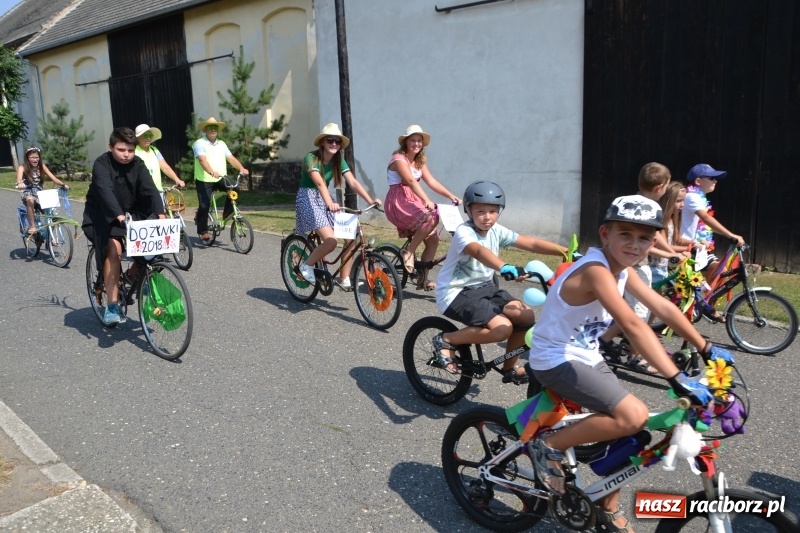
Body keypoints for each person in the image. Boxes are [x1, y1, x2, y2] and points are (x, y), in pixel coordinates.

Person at [525, 194, 718, 533]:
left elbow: (664, 308)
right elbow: (632, 324)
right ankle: (549, 445)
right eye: (625, 234)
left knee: (635, 432)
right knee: (633, 414)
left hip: (584, 356)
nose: (635, 244)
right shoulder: (596, 270)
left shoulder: (623, 271)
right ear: (605, 234)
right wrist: (675, 378)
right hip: (554, 359)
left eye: (644, 237)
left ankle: (606, 504)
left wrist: (708, 348)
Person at [432, 181, 568, 378]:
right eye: (480, 211)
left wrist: (564, 251)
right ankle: (446, 339)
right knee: (502, 329)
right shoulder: (464, 232)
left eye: (493, 211)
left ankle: (508, 368)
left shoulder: (496, 230)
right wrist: (504, 267)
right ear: (469, 211)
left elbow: (530, 242)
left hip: (486, 288)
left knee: (526, 316)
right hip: (455, 293)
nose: (487, 217)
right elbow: (478, 251)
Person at [599, 162, 681, 373]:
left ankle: (605, 341)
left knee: (630, 309)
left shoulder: (640, 204)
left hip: (634, 266)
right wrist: (670, 254)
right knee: (640, 311)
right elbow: (644, 245)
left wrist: (671, 251)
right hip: (635, 266)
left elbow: (655, 238)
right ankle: (635, 356)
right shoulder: (644, 209)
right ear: (661, 186)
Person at [82, 127, 165, 325]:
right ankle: (111, 305)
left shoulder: (138, 163)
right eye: (121, 150)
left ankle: (131, 276)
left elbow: (150, 189)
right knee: (114, 248)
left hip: (132, 211)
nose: (127, 155)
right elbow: (105, 192)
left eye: (130, 150)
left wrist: (161, 215)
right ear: (110, 147)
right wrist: (119, 217)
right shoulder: (102, 163)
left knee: (152, 246)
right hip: (103, 214)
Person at [295, 123, 381, 291]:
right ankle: (306, 266)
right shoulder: (310, 158)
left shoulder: (338, 161)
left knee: (350, 237)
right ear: (322, 142)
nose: (334, 144)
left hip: (326, 199)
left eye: (337, 141)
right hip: (308, 198)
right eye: (330, 140)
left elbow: (353, 182)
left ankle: (344, 278)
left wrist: (371, 200)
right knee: (331, 241)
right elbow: (319, 183)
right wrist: (329, 204)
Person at [384, 125, 460, 290]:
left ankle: (422, 280)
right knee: (431, 216)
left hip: (414, 201)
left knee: (433, 240)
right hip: (398, 203)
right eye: (413, 140)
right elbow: (410, 181)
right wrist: (426, 200)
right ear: (406, 142)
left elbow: (431, 182)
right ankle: (409, 252)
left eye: (419, 141)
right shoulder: (398, 159)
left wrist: (450, 196)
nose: (417, 144)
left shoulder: (419, 161)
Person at [680, 163, 744, 320]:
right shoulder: (692, 196)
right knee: (718, 271)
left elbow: (705, 222)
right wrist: (731, 235)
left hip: (698, 247)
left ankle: (704, 304)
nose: (715, 181)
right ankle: (704, 306)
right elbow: (706, 218)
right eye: (711, 178)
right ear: (698, 181)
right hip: (687, 246)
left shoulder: (698, 197)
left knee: (719, 271)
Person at [192, 117, 249, 242]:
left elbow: (231, 158)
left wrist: (241, 168)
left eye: (215, 128)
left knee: (235, 187)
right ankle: (203, 231)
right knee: (204, 205)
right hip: (204, 179)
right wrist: (211, 171)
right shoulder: (199, 143)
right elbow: (202, 160)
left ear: (218, 130)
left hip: (220, 177)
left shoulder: (222, 144)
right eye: (210, 128)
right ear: (205, 130)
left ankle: (226, 214)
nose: (213, 130)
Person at [16, 147, 69, 233]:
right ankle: (32, 226)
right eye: (32, 157)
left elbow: (54, 178)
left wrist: (63, 184)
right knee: (30, 199)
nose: (35, 159)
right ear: (27, 158)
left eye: (37, 157)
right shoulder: (22, 167)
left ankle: (52, 237)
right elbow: (19, 179)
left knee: (51, 214)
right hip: (28, 192)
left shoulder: (42, 166)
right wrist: (20, 183)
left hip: (40, 193)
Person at [649, 181, 691, 286]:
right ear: (668, 201)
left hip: (663, 265)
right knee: (657, 300)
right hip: (654, 267)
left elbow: (678, 240)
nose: (682, 205)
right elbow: (663, 246)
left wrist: (694, 243)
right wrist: (687, 249)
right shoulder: (662, 221)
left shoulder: (672, 219)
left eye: (683, 201)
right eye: (678, 201)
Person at [134, 124, 185, 195]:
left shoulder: (154, 150)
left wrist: (177, 179)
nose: (148, 138)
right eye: (145, 135)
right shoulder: (133, 152)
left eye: (150, 136)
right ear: (138, 138)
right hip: (142, 192)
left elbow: (165, 167)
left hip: (158, 191)